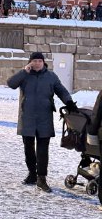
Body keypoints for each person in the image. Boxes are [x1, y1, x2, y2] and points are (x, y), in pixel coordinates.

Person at [7, 52, 77, 192]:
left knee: (43, 149)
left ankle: (41, 178)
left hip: (44, 117)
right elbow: (11, 84)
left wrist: (69, 102)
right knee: (28, 148)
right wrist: (23, 72)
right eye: (34, 61)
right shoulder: (24, 75)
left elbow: (61, 90)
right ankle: (32, 174)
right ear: (30, 62)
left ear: (43, 62)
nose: (37, 63)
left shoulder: (51, 76)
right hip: (27, 117)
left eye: (40, 61)